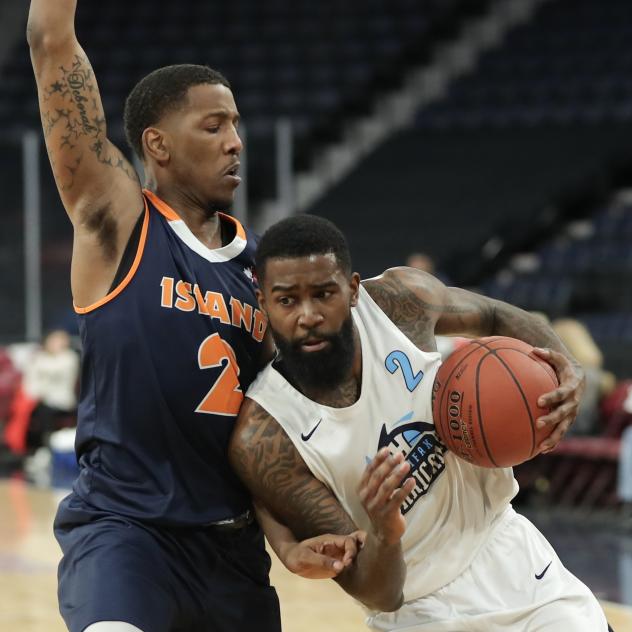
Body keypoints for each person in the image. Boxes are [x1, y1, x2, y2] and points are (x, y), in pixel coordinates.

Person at [27, 3, 361, 631]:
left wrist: (285, 542)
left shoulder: (268, 274)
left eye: (236, 124)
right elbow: (50, 40)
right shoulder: (119, 221)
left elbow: (261, 435)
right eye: (213, 126)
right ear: (158, 144)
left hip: (233, 553)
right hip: (127, 537)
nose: (235, 140)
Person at [229, 215, 612, 631]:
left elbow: (495, 315)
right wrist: (383, 532)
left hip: (511, 558)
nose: (308, 316)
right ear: (263, 301)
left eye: (324, 294)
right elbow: (378, 593)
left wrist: (565, 365)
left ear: (353, 290)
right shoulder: (266, 438)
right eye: (287, 300)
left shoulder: (399, 303)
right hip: (416, 612)